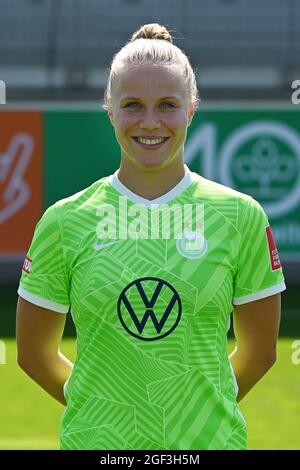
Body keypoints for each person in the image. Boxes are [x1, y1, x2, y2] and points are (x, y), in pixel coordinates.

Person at [16, 23, 286, 450]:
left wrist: (198, 409)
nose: (150, 122)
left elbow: (259, 353)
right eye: (133, 105)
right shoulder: (64, 221)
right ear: (110, 110)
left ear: (191, 110)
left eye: (167, 105)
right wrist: (97, 406)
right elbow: (34, 355)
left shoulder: (241, 216)